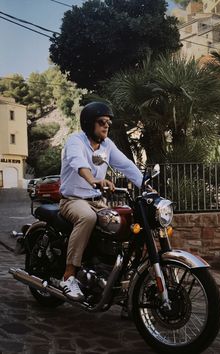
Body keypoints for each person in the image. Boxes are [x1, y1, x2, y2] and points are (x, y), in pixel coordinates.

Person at [59, 101, 143, 301]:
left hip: (97, 200)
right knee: (87, 218)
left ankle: (111, 273)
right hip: (73, 199)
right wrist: (93, 179)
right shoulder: (75, 141)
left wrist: (147, 187)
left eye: (108, 122)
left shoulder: (107, 145)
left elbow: (127, 166)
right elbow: (78, 162)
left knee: (121, 223)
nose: (106, 125)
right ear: (89, 123)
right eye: (101, 122)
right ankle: (68, 276)